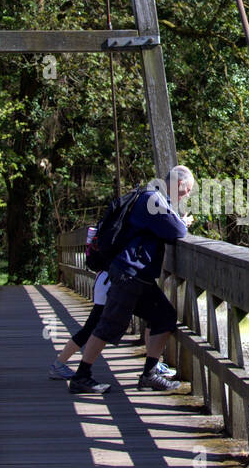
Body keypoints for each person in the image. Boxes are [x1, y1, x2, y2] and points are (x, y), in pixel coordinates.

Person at [69, 164, 195, 394]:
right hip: (130, 273)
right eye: (187, 191)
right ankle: (81, 376)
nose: (187, 196)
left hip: (137, 274)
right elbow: (176, 231)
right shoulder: (153, 199)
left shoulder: (154, 196)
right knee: (108, 325)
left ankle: (149, 374)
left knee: (163, 316)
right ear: (179, 184)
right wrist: (183, 222)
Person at [49, 228, 176, 380]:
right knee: (92, 327)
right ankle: (59, 364)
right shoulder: (132, 220)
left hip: (110, 280)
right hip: (111, 283)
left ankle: (153, 366)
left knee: (154, 316)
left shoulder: (119, 220)